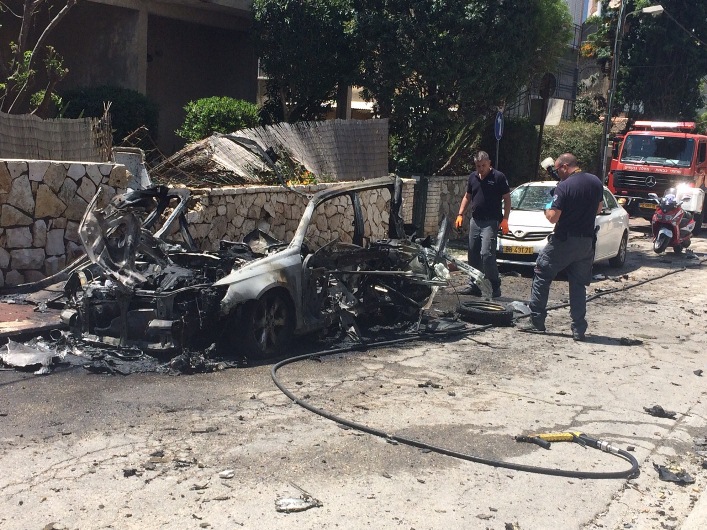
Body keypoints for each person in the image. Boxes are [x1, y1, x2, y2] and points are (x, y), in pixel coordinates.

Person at [520, 153, 604, 341]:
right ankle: (579, 329)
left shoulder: (564, 186)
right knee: (578, 284)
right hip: (586, 242)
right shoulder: (595, 182)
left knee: (542, 273)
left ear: (565, 167)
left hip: (564, 240)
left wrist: (547, 206)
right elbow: (598, 209)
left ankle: (536, 321)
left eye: (558, 170)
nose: (557, 173)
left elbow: (553, 218)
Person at [454, 151, 510, 298]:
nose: (481, 169)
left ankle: (495, 285)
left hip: (491, 221)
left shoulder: (498, 177)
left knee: (486, 254)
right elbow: (467, 196)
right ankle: (474, 285)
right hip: (475, 221)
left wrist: (505, 219)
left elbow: (507, 198)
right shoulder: (473, 177)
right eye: (478, 166)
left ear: (489, 163)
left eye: (483, 165)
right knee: (473, 254)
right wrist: (460, 214)